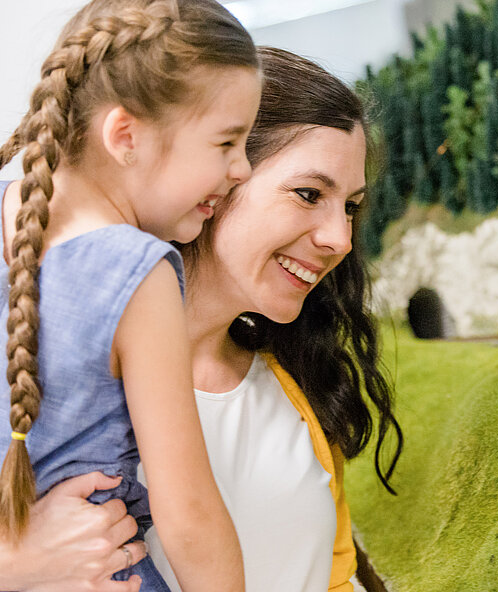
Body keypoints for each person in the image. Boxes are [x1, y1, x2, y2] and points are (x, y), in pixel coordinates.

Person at [0, 46, 403, 592]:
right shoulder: (44, 377)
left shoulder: (298, 383)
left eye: (351, 206)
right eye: (309, 194)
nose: (340, 238)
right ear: (214, 178)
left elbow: (335, 576)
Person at [0, 0, 262, 590]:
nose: (242, 169)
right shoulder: (134, 272)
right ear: (125, 136)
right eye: (227, 143)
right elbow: (190, 517)